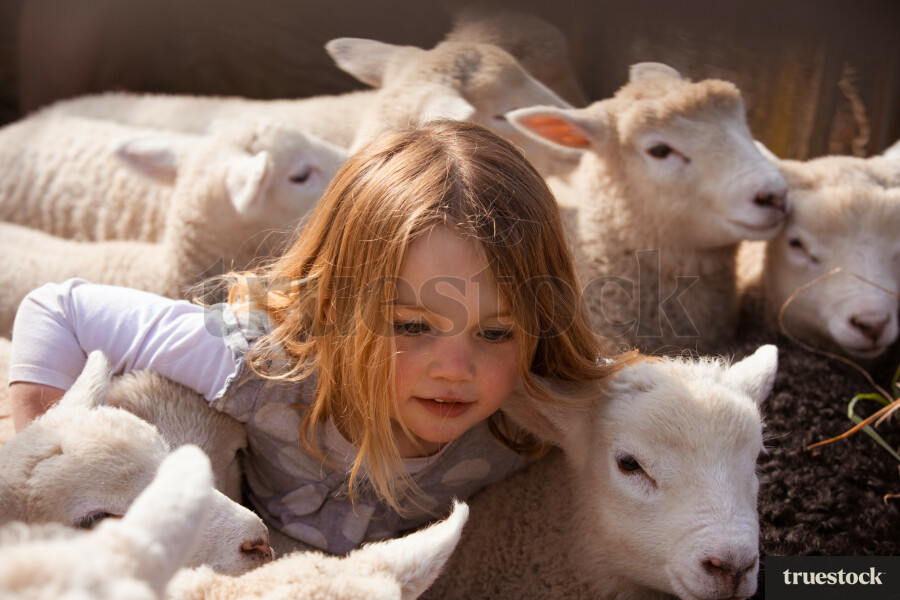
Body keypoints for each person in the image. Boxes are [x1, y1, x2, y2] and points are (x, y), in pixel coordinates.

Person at [9, 120, 620, 555]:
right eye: (411, 325)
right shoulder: (257, 356)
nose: (457, 368)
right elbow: (58, 309)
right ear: (334, 304)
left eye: (495, 331)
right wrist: (53, 453)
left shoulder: (537, 401)